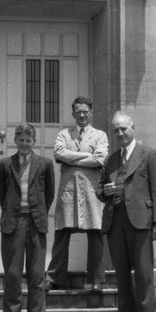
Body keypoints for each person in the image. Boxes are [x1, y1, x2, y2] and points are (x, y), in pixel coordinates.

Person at [96, 111, 156, 312]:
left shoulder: (149, 154)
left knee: (144, 271)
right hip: (116, 221)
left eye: (124, 128)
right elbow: (100, 190)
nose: (120, 133)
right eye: (116, 130)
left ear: (133, 128)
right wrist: (105, 191)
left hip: (141, 221)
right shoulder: (111, 159)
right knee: (121, 272)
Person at [0, 123, 55, 312]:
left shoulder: (45, 164)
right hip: (13, 223)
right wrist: (15, 212)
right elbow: (2, 195)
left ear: (34, 142)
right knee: (12, 274)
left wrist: (37, 212)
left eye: (28, 140)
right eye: (21, 140)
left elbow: (49, 194)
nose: (24, 144)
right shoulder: (4, 164)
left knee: (37, 274)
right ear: (15, 140)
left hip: (36, 223)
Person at [46, 96, 109, 292]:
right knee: (62, 231)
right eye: (78, 111)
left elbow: (100, 159)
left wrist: (71, 159)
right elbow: (59, 154)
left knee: (95, 231)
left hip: (91, 190)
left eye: (85, 111)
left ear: (90, 113)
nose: (82, 115)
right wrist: (86, 157)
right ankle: (55, 276)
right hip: (69, 189)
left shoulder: (100, 135)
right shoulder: (64, 134)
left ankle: (97, 279)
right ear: (73, 113)